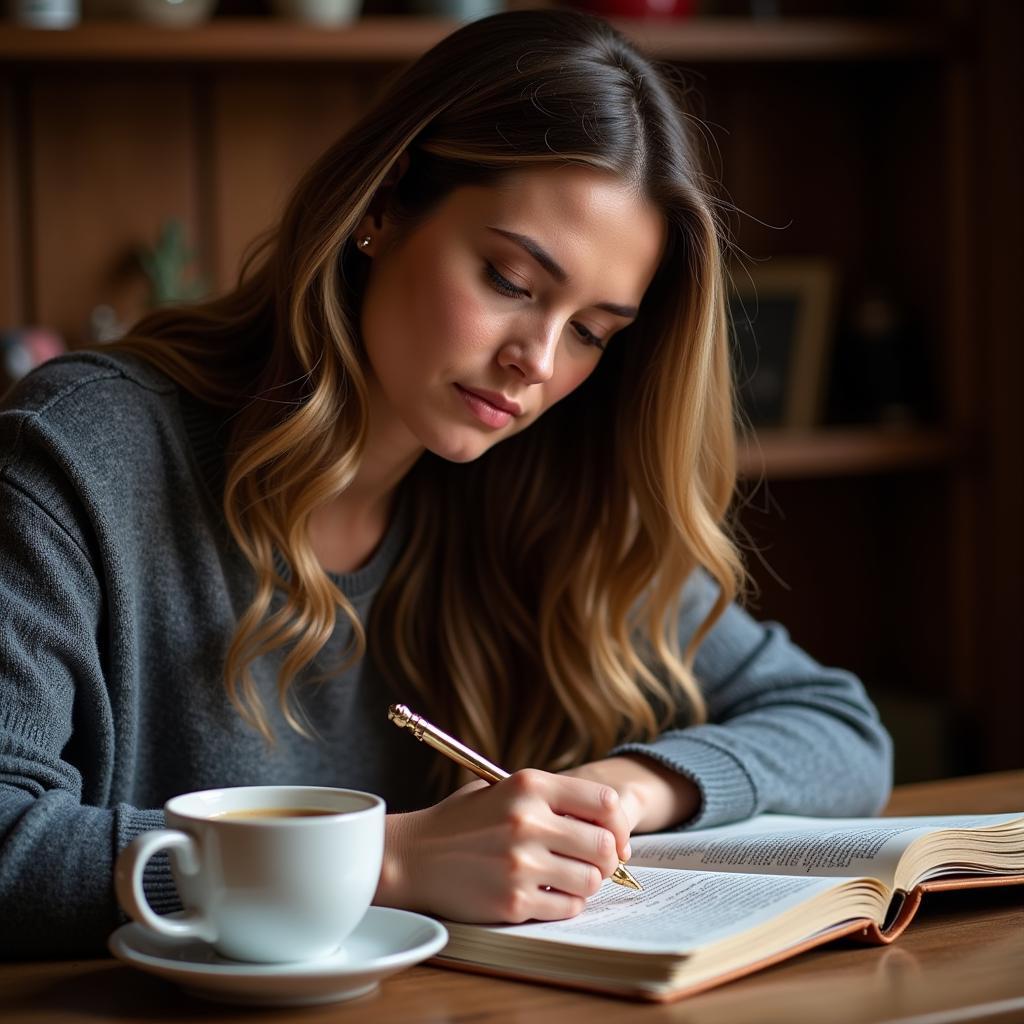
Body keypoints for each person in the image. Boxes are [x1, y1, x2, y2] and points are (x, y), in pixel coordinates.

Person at [0, 8, 891, 958]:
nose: (537, 362)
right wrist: (389, 860)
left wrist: (617, 795)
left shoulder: (548, 496)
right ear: (382, 206)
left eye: (592, 330)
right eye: (510, 279)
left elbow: (840, 728)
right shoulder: (85, 453)